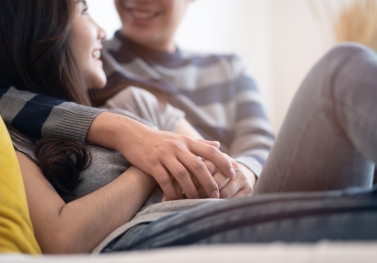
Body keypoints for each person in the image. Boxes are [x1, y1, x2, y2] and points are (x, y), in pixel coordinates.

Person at [2, 0, 377, 255]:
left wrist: (237, 169)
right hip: (157, 230)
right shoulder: (100, 68)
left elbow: (237, 152)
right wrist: (146, 156)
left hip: (234, 198)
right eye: (85, 9)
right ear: (44, 32)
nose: (102, 27)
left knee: (345, 66)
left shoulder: (137, 96)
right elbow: (10, 93)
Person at [0, 0, 274, 199]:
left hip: (245, 185)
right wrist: (123, 131)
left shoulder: (230, 67)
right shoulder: (91, 59)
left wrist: (243, 174)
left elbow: (262, 142)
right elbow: (9, 93)